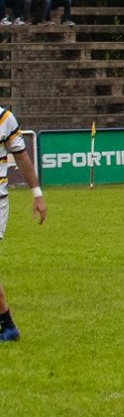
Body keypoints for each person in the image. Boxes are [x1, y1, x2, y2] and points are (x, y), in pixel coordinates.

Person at [0, 103, 46, 342]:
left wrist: (37, 193)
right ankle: (7, 325)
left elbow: (22, 156)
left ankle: (8, 326)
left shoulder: (4, 118)